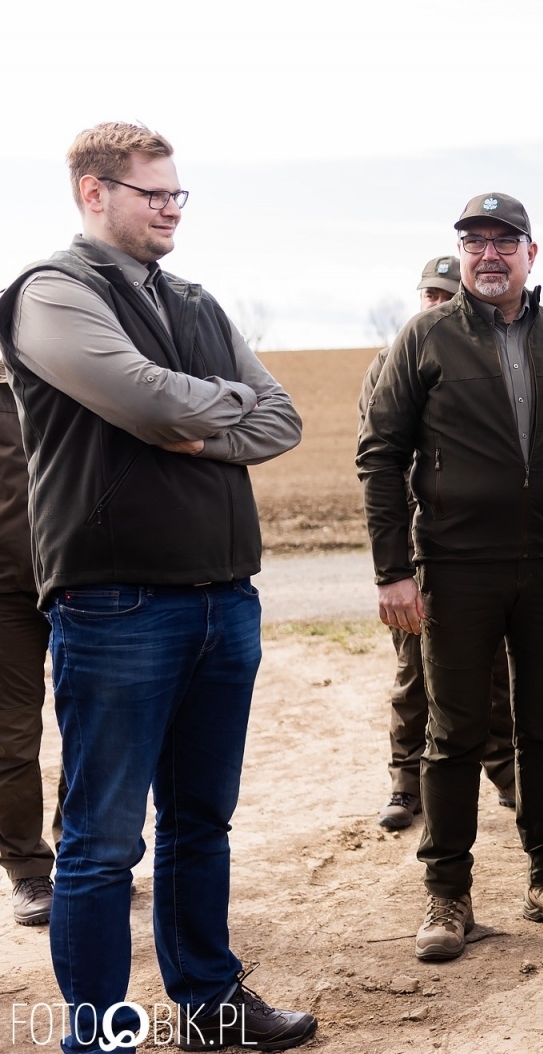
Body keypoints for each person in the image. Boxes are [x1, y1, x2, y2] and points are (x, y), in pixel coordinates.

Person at [0, 123, 313, 1051]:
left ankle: (211, 1009)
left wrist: (187, 416)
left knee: (200, 823)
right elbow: (141, 399)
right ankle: (96, 1035)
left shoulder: (197, 301)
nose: (172, 208)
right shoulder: (50, 294)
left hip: (227, 595)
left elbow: (283, 419)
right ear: (94, 194)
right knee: (101, 844)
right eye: (154, 193)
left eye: (180, 194)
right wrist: (187, 408)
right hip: (116, 602)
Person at [358, 192, 543, 963]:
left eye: (503, 241)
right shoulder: (425, 338)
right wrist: (393, 569)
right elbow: (379, 458)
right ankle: (448, 894)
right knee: (454, 733)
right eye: (474, 241)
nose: (487, 254)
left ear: (530, 255)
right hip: (454, 565)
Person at [358, 255, 517, 831]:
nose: (435, 302)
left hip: (477, 544)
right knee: (414, 668)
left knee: (496, 668)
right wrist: (394, 559)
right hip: (419, 542)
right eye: (428, 292)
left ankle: (504, 770)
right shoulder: (391, 362)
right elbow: (377, 458)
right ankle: (406, 783)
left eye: (445, 294)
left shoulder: (492, 354)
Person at [0, 356, 59, 927]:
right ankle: (26, 869)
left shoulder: (60, 377)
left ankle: (91, 858)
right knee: (13, 737)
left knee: (95, 729)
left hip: (81, 582)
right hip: (4, 598)